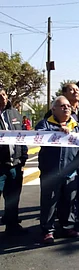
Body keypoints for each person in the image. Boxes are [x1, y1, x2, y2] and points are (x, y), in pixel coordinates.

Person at [35, 96, 79, 244]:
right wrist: (58, 132)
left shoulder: (76, 126)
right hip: (51, 172)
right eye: (62, 106)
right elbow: (39, 136)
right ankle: (48, 230)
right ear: (53, 109)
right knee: (49, 202)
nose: (66, 108)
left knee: (69, 201)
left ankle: (67, 227)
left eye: (68, 106)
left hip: (71, 171)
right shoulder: (45, 124)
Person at [0, 89, 28, 235]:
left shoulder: (14, 113)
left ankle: (12, 226)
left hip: (15, 164)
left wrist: (23, 157)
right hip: (0, 166)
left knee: (13, 197)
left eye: (4, 95)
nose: (2, 98)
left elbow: (22, 135)